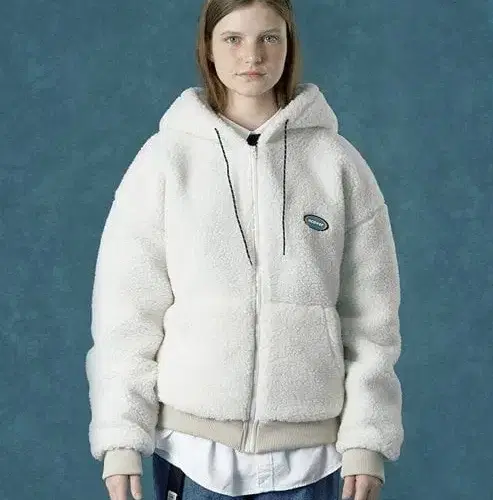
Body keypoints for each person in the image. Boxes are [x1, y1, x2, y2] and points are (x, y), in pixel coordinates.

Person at [85, 0, 404, 499]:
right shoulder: (164, 162)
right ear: (208, 49)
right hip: (192, 454)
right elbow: (125, 316)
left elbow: (372, 321)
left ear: (288, 46)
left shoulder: (338, 164)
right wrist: (121, 437)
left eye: (268, 37)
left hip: (311, 461)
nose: (251, 55)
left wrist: (368, 438)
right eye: (233, 38)